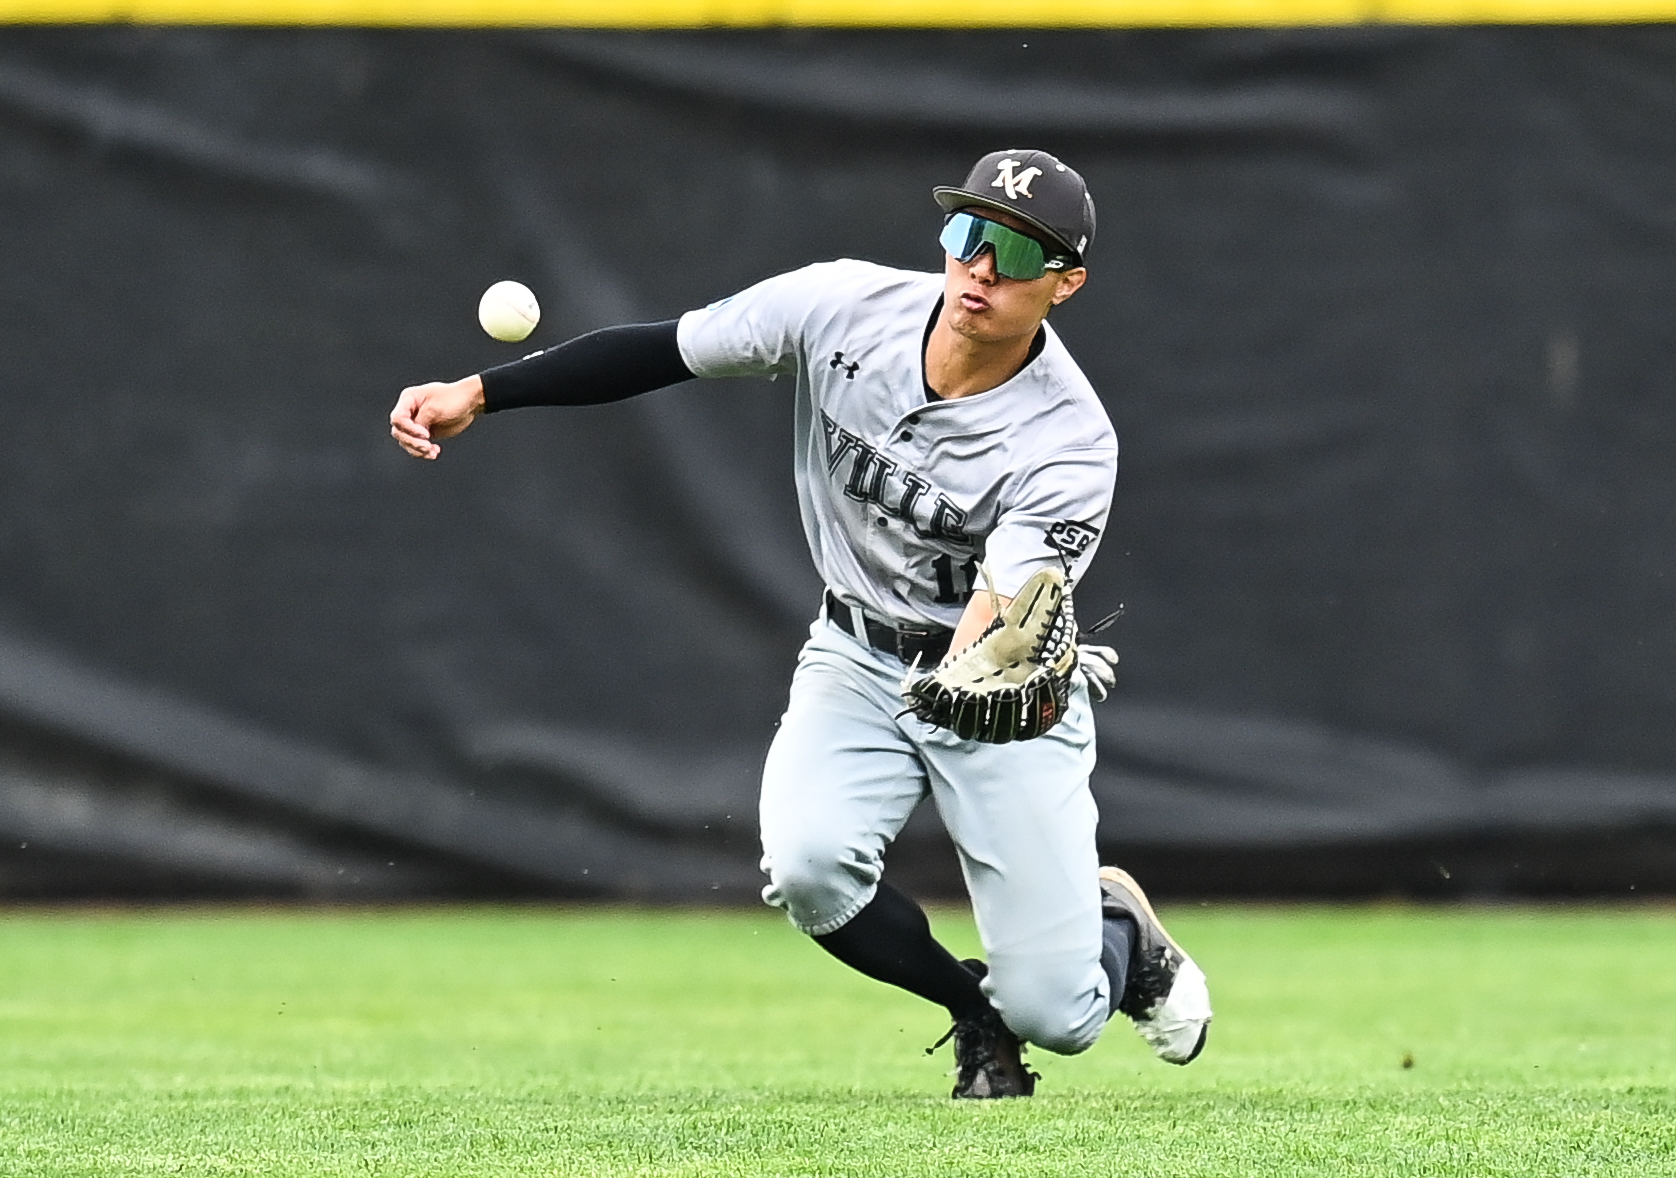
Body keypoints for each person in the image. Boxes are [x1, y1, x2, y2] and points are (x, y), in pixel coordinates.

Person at [388, 149, 1211, 1098]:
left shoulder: (1068, 438)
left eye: (1017, 255)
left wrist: (963, 669)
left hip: (996, 692)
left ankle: (1118, 933)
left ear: (1064, 284)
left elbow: (1005, 610)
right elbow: (664, 348)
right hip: (856, 655)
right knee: (812, 870)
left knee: (1061, 1016)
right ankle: (973, 1014)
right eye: (967, 235)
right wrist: (480, 394)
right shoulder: (841, 306)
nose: (981, 268)